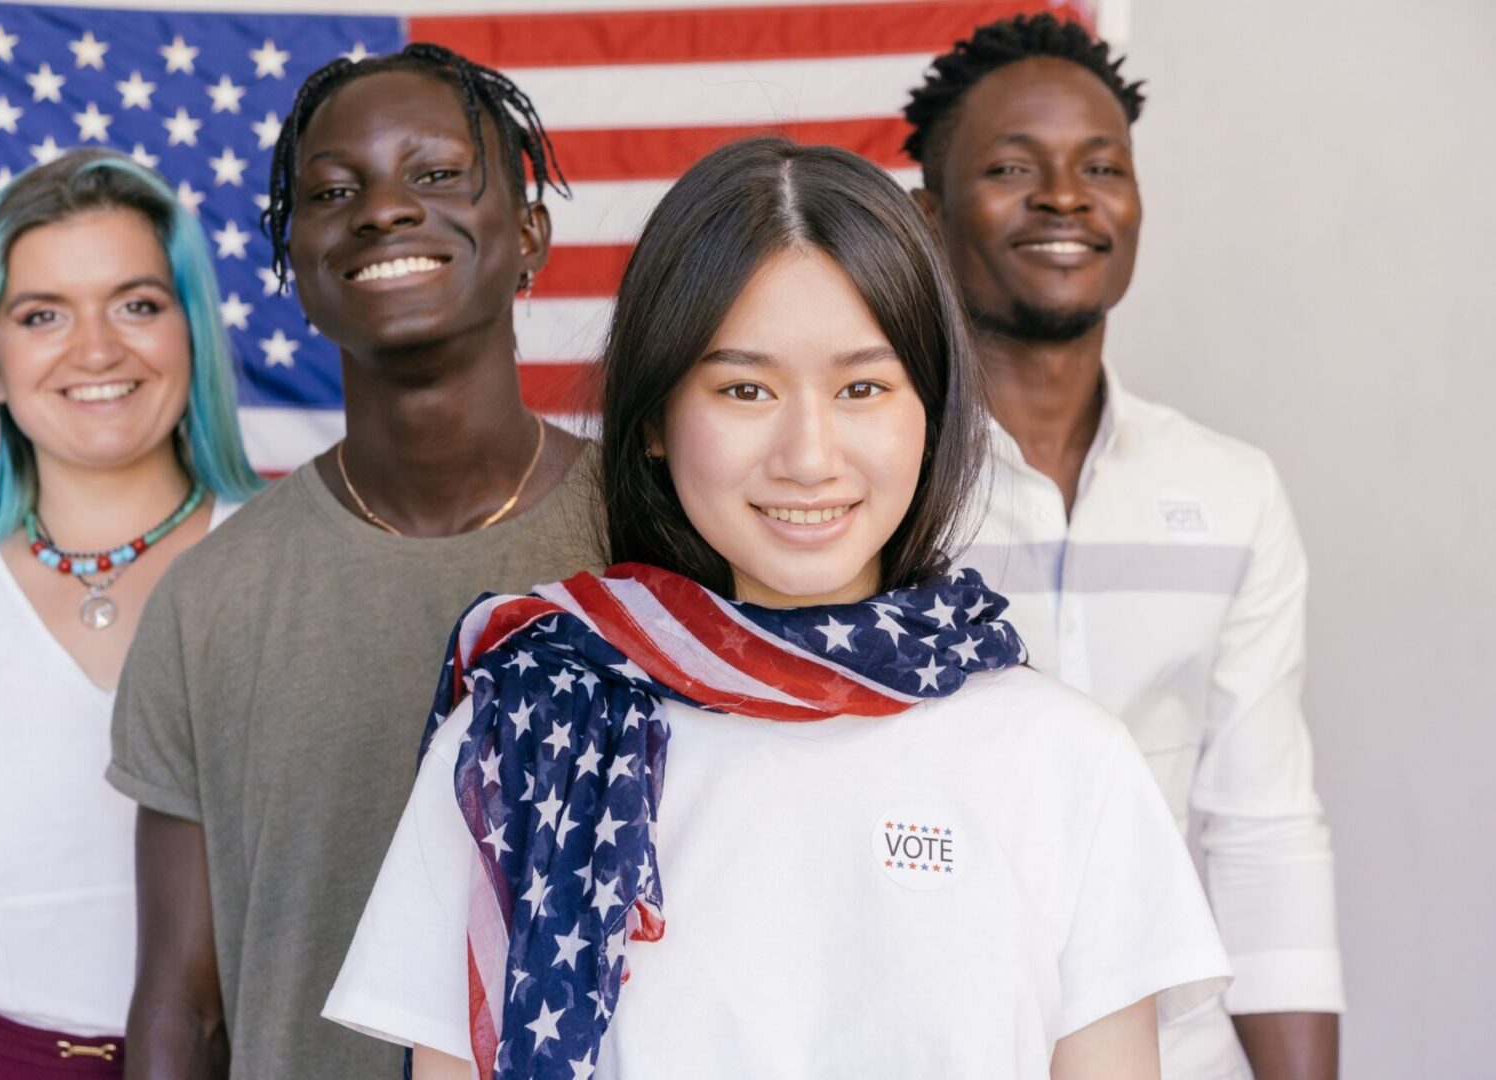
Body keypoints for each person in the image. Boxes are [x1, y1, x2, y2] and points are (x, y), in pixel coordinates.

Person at [324, 136, 1232, 1079]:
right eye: (745, 388)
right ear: (651, 424)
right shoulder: (525, 730)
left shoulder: (1065, 759)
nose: (808, 453)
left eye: (863, 388)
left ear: (935, 410)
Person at [108, 45, 604, 1080]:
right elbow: (178, 1012)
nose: (383, 210)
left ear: (529, 235)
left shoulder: (659, 544)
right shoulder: (210, 601)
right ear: (293, 269)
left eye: (434, 177)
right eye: (335, 192)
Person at [904, 14, 1344, 1079]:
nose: (1066, 195)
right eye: (1013, 167)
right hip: (938, 1044)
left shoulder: (1231, 491)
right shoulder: (875, 491)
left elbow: (1263, 830)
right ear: (927, 212)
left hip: (1183, 1054)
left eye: (1102, 166)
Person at [0, 150, 261, 1078]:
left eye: (137, 304)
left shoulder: (288, 563)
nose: (96, 350)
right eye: (42, 315)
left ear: (191, 335)